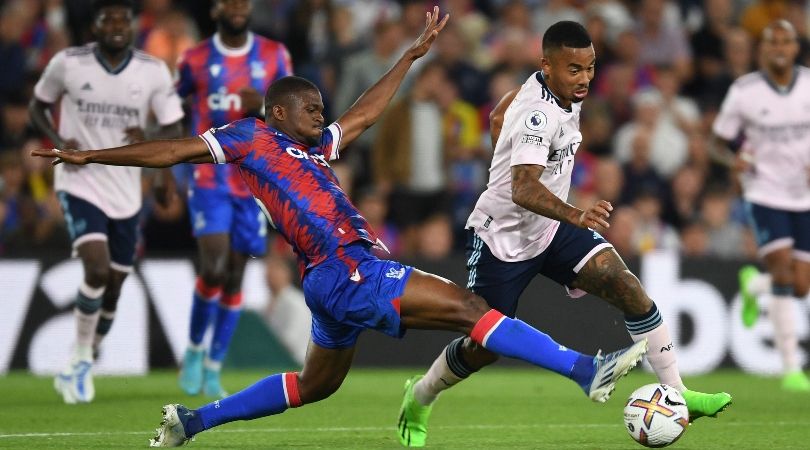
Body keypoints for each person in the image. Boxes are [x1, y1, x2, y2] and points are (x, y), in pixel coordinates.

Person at [33, 9, 648, 447]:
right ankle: (582, 370)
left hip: (331, 278)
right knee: (468, 309)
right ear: (278, 112)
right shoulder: (251, 138)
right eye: (310, 109)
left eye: (320, 110)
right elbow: (171, 150)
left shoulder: (312, 148)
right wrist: (92, 155)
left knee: (314, 386)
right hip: (351, 265)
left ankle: (192, 423)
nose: (321, 116)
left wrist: (407, 57)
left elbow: (363, 115)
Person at [396, 21, 733, 447]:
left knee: (623, 284)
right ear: (547, 66)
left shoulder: (548, 89)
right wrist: (574, 212)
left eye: (590, 68)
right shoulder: (538, 114)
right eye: (574, 69)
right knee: (483, 344)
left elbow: (500, 113)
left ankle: (680, 395)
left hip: (551, 229)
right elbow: (522, 188)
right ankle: (421, 394)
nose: (585, 79)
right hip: (503, 238)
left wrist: (503, 143)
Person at [28, 0, 184, 404]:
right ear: (94, 27)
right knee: (96, 268)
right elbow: (37, 105)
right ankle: (79, 361)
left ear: (132, 27)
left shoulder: (151, 70)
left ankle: (90, 346)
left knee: (114, 283)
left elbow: (172, 124)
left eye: (123, 20)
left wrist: (163, 172)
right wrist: (60, 141)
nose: (116, 25)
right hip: (79, 180)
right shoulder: (68, 63)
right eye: (107, 19)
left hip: (126, 188)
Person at [174, 0, 293, 398]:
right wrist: (175, 159)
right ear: (215, 9)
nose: (239, 6)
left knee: (235, 275)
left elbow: (288, 116)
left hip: (253, 180)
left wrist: (259, 108)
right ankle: (193, 350)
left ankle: (212, 366)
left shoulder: (275, 56)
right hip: (210, 176)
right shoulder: (193, 59)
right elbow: (176, 106)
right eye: (231, 1)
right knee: (214, 265)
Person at [712, 20, 810, 392]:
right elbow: (716, 144)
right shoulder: (745, 91)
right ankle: (791, 367)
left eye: (786, 40)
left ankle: (754, 288)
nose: (780, 47)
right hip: (765, 192)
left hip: (804, 196)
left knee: (801, 285)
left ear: (796, 47)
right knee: (784, 272)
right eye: (773, 41)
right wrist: (732, 161)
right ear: (762, 50)